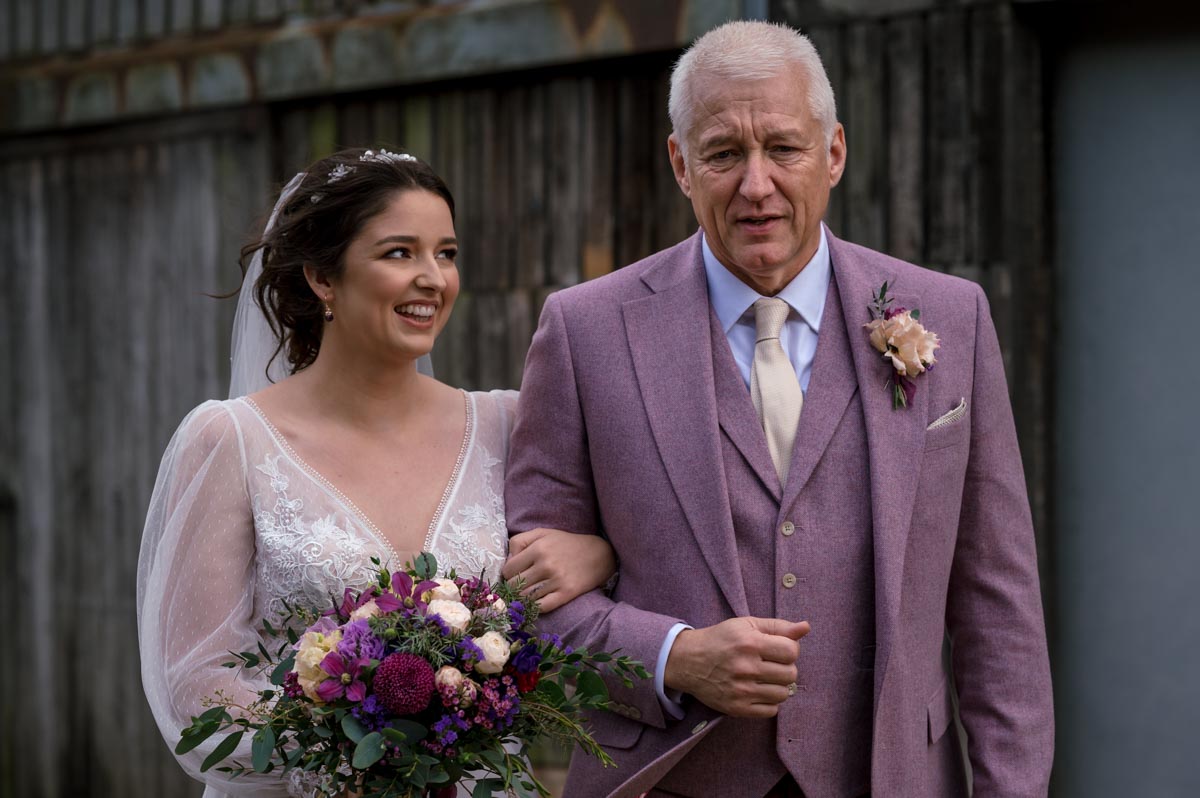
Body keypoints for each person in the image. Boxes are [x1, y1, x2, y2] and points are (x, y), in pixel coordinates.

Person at [504, 20, 1054, 798]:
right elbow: (530, 606)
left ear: (834, 153)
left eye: (784, 148)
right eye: (724, 153)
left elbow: (999, 607)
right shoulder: (584, 332)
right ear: (681, 165)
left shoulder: (950, 317)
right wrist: (671, 656)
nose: (755, 184)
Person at [137, 148, 617, 798]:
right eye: (399, 253)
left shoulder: (507, 425)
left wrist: (600, 555)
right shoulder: (230, 441)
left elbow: (630, 568)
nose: (433, 278)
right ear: (322, 278)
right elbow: (197, 683)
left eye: (446, 253)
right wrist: (364, 746)